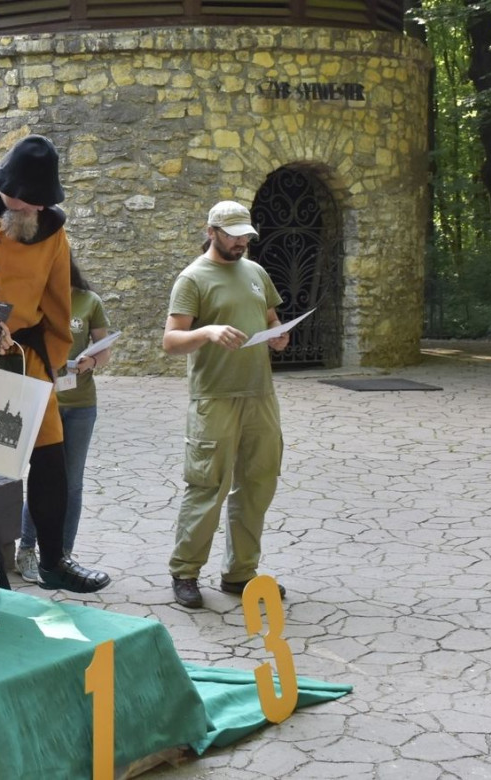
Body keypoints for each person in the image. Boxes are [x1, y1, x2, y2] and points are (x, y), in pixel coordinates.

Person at [0, 134, 111, 607]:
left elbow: (59, 302)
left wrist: (50, 361)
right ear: (4, 187)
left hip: (27, 359)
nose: (32, 209)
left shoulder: (51, 230)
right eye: (26, 199)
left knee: (51, 456)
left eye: (41, 202)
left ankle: (54, 560)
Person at [161, 201, 289, 610]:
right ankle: (185, 572)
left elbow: (271, 318)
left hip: (260, 395)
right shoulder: (192, 278)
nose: (241, 241)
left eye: (245, 234)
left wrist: (277, 335)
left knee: (258, 483)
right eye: (233, 234)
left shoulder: (256, 272)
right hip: (214, 396)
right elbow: (170, 341)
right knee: (206, 485)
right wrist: (208, 331)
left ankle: (240, 573)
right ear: (212, 231)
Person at [14, 261, 112, 581]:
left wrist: (91, 361)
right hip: (44, 401)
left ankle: (62, 555)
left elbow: (105, 349)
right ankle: (27, 549)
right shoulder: (34, 299)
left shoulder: (88, 301)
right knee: (43, 478)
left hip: (81, 404)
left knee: (72, 483)